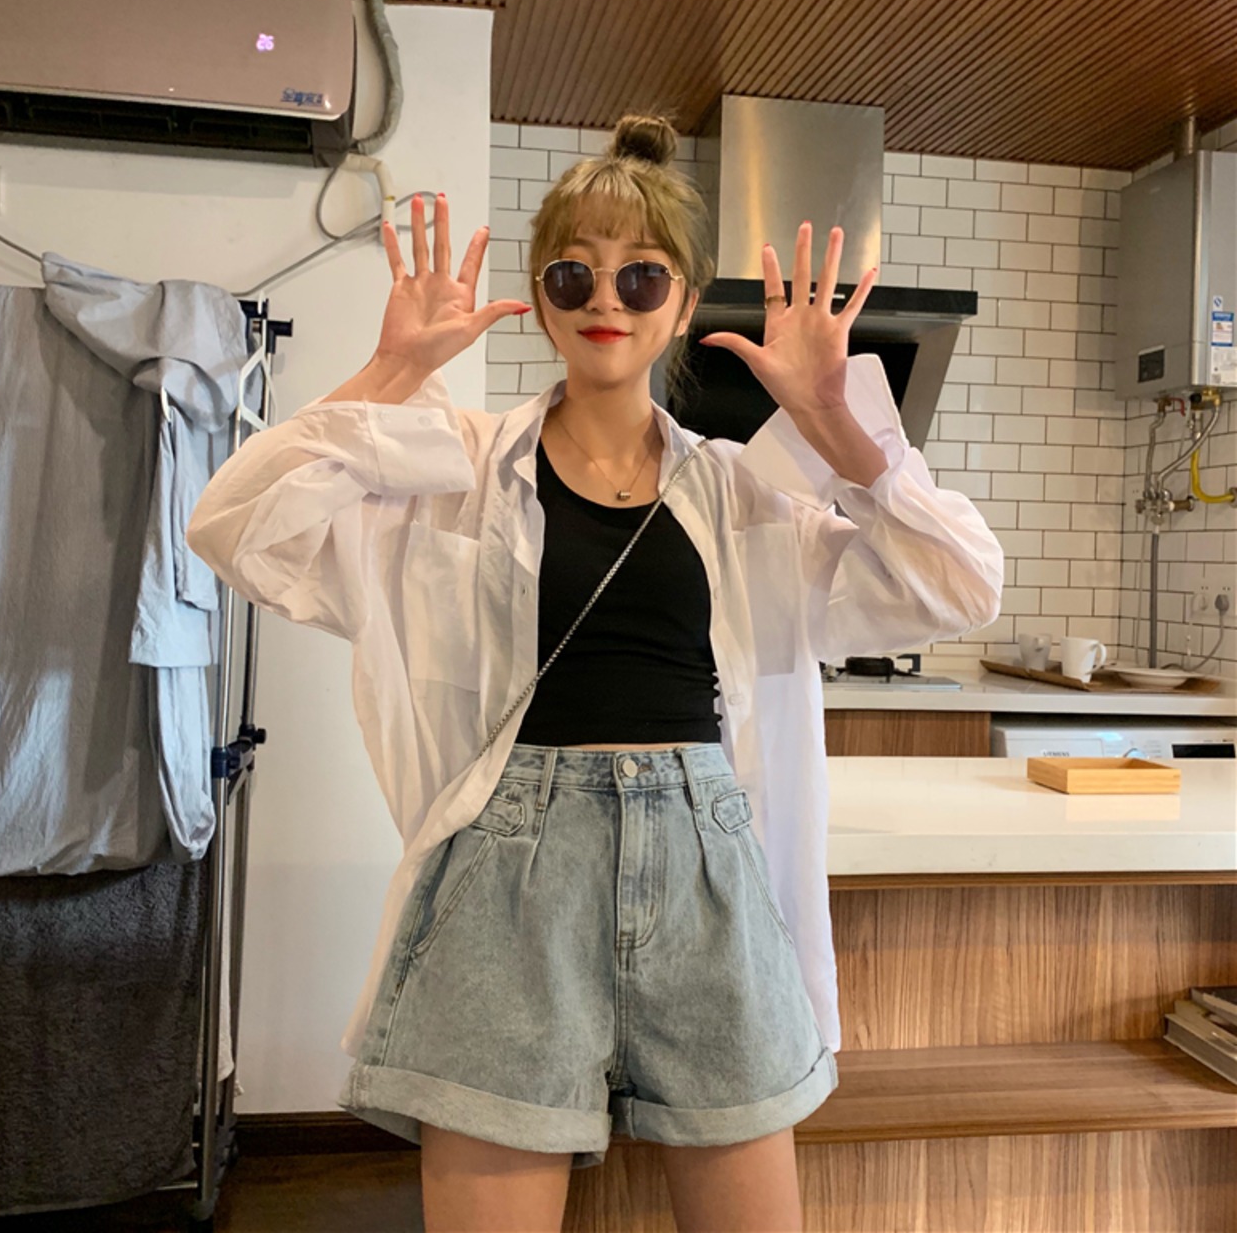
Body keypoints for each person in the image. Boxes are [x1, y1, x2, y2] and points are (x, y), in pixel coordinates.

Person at [187, 111, 1004, 1232]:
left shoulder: (740, 491)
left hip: (711, 872)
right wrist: (395, 369)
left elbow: (958, 584)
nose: (604, 299)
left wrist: (832, 421)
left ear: (682, 299)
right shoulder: (456, 474)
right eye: (573, 274)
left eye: (640, 274)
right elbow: (233, 522)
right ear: (541, 296)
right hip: (507, 878)